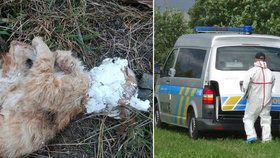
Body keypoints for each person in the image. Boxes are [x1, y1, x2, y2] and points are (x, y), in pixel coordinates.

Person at [241, 52, 275, 143]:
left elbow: (245, 86)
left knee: (248, 118)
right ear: (265, 59)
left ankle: (251, 136)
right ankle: (267, 139)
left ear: (255, 59)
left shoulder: (251, 71)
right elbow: (272, 86)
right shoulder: (270, 72)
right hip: (267, 99)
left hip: (254, 99)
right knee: (266, 119)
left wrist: (245, 93)